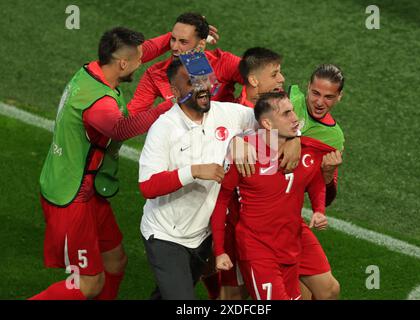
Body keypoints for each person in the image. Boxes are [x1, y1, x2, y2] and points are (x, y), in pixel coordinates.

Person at [138, 55, 301, 299]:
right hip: (166, 236)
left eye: (205, 78)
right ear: (174, 90)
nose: (203, 87)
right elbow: (147, 186)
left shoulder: (228, 114)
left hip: (202, 235)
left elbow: (275, 120)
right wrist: (194, 171)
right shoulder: (164, 129)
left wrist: (295, 139)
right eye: (193, 82)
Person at [30, 27, 173, 300]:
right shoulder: (98, 101)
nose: (142, 63)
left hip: (87, 189)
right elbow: (119, 129)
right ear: (122, 63)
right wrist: (166, 108)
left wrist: (173, 38)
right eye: (137, 60)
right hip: (71, 196)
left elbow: (142, 51)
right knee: (89, 283)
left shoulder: (92, 73)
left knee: (115, 261)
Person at [211, 92, 328, 300]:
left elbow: (315, 177)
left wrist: (319, 209)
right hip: (257, 249)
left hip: (289, 246)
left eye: (292, 111)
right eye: (286, 114)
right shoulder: (246, 155)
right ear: (266, 123)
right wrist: (220, 250)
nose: (295, 118)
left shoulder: (303, 150)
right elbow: (221, 201)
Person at [289, 64, 345, 299]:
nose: (320, 102)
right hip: (257, 205)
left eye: (329, 97)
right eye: (316, 93)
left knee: (328, 291)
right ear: (307, 87)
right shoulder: (289, 100)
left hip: (289, 215)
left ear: (339, 97)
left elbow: (328, 197)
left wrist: (327, 174)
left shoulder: (333, 137)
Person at [127, 12, 243, 116]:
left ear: (201, 45)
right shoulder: (156, 74)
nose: (174, 47)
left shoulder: (223, 62)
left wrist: (236, 114)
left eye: (183, 41)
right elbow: (130, 121)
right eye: (173, 39)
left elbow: (258, 79)